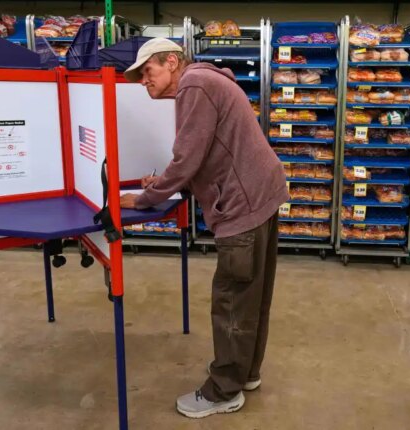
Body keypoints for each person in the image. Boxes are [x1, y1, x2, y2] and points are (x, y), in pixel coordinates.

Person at [120, 38, 289, 418]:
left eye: (148, 72)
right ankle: (246, 373)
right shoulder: (208, 81)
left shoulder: (194, 85)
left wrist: (144, 198)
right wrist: (163, 182)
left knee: (231, 299)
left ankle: (224, 389)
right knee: (252, 296)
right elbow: (201, 155)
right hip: (262, 195)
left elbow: (187, 158)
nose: (143, 82)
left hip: (242, 206)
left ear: (173, 62)